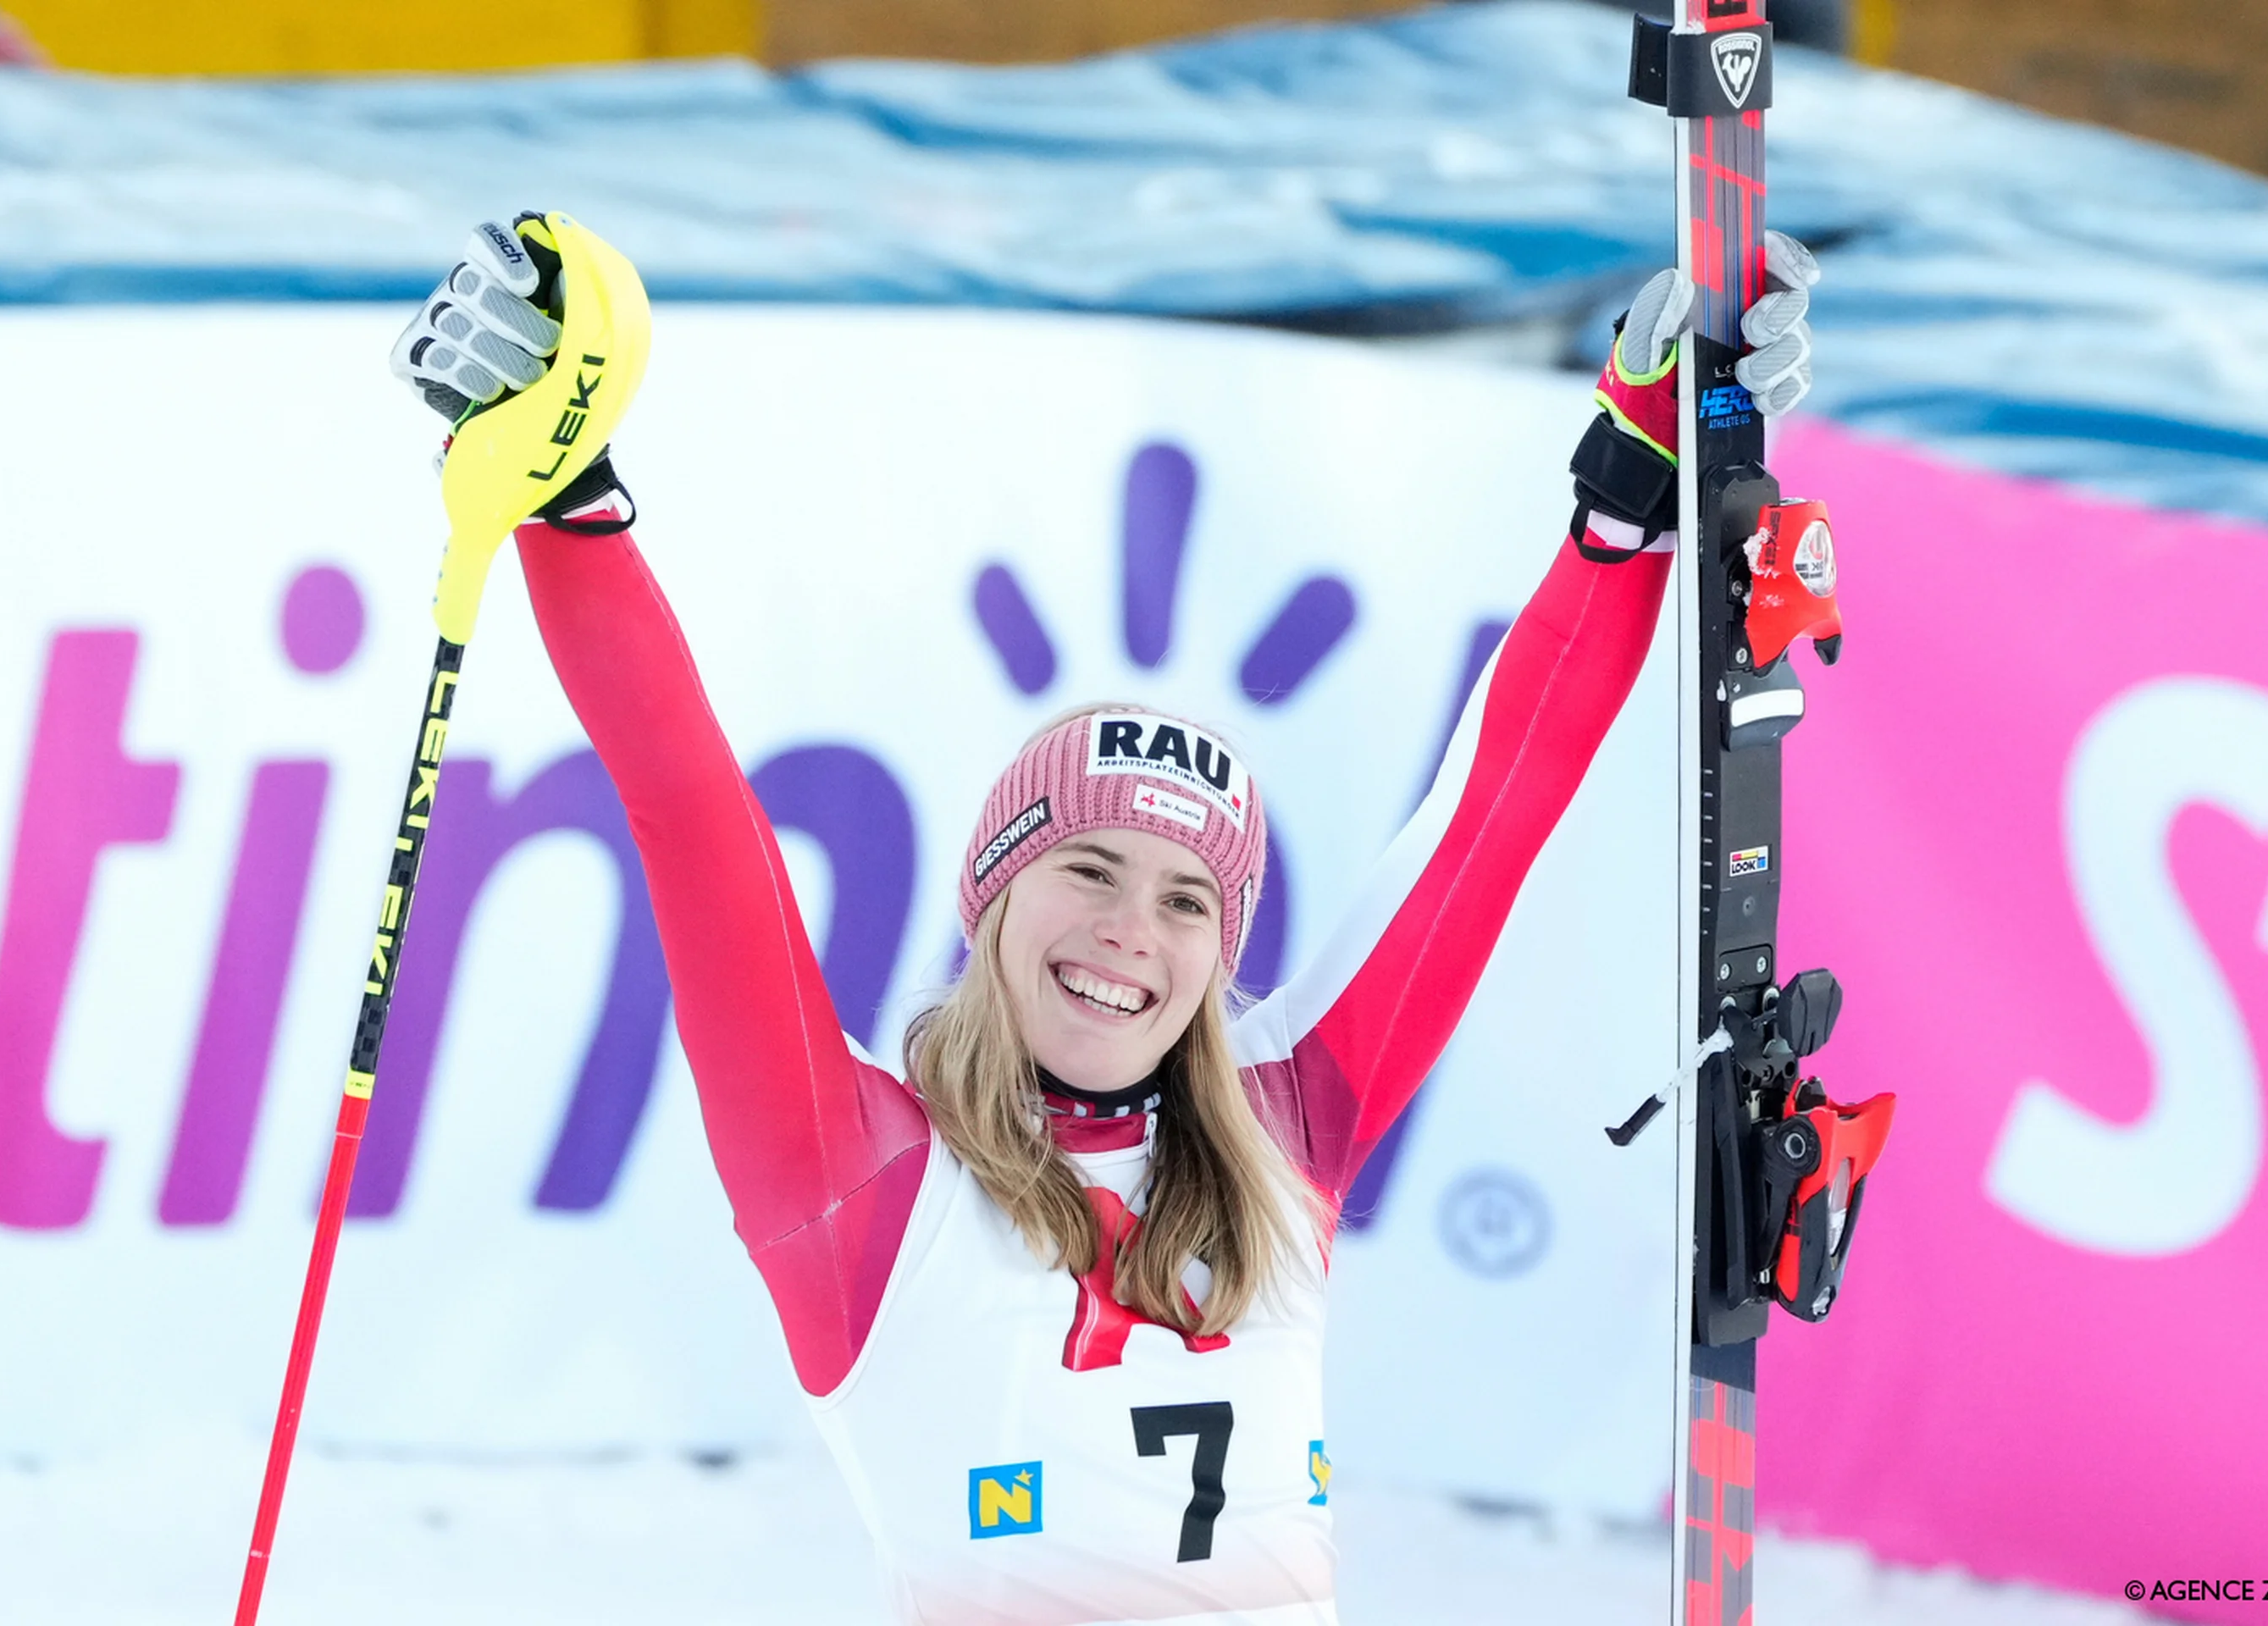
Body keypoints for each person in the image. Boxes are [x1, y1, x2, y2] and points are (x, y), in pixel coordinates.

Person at [389, 213, 1815, 1626]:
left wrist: (1627, 506)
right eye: (1088, 870)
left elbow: (1494, 813)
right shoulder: (861, 1182)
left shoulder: (1285, 1137)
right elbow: (694, 820)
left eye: (1188, 897)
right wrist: (569, 502)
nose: (1134, 930)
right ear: (993, 898)